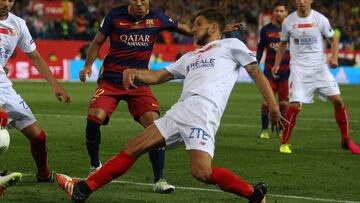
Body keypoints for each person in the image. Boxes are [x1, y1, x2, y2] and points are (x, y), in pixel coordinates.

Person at [56, 9, 281, 203]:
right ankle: (83, 189)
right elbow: (158, 76)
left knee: (202, 172)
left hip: (203, 112)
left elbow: (255, 72)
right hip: (180, 111)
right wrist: (135, 73)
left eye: (198, 24)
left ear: (213, 27)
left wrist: (273, 105)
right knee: (134, 146)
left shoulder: (231, 45)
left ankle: (254, 195)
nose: (193, 29)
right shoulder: (190, 56)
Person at [79, 0, 241, 193]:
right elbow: (97, 41)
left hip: (140, 81)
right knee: (94, 118)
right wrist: (88, 65)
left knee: (153, 123)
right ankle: (95, 165)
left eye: (143, 1)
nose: (139, 4)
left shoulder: (157, 17)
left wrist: (220, 30)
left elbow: (188, 29)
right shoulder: (114, 15)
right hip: (112, 79)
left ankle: (159, 179)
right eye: (135, 1)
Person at [272, 0, 360, 154]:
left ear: (311, 0)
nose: (301, 2)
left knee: (338, 102)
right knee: (294, 106)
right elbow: (283, 44)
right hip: (299, 70)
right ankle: (285, 142)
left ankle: (346, 140)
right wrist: (277, 64)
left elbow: (333, 40)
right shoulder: (288, 21)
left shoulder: (320, 19)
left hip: (320, 69)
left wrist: (334, 58)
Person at [0, 0, 71, 182]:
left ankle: (44, 173)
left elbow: (35, 57)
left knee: (38, 136)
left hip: (4, 87)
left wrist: (55, 84)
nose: (6, 3)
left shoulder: (18, 24)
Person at [257, 1, 289, 139]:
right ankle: (264, 130)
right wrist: (257, 63)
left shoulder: (290, 29)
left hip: (286, 72)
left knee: (284, 103)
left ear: (286, 13)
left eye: (282, 11)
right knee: (267, 102)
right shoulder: (265, 30)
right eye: (277, 10)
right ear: (273, 13)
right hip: (269, 72)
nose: (279, 13)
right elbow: (260, 47)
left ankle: (282, 129)